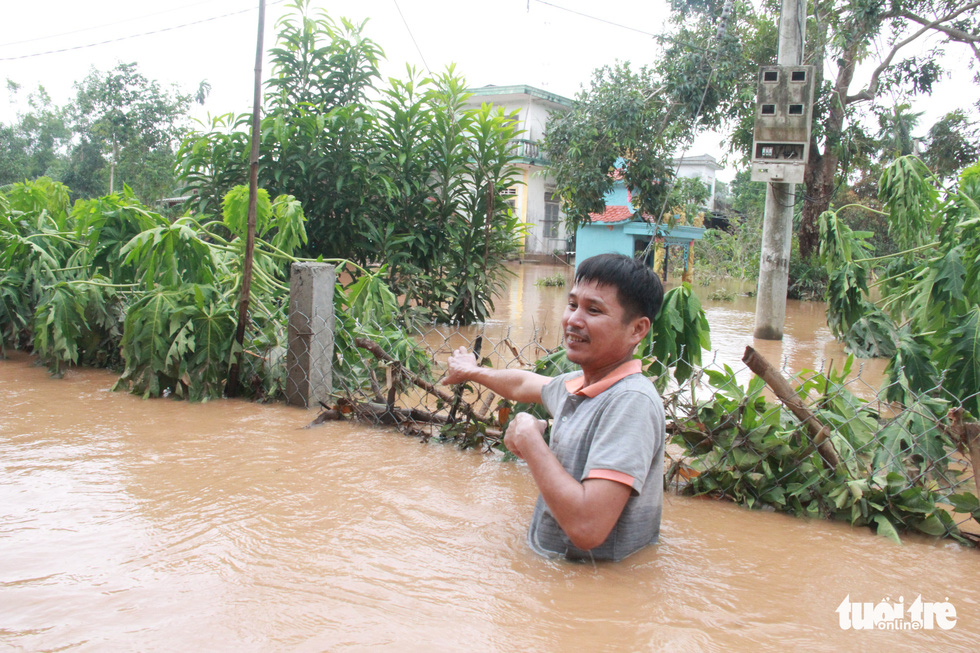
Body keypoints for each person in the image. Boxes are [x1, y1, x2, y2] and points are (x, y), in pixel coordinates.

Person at [442, 253, 666, 561]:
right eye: (573, 304)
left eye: (594, 310)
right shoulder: (580, 384)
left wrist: (530, 440)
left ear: (637, 330)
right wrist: (471, 371)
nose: (573, 320)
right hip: (555, 572)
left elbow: (588, 529)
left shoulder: (631, 402)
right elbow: (522, 384)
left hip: (590, 590)